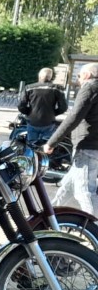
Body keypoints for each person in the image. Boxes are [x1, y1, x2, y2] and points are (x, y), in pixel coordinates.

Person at [46, 63, 98, 214]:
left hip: (87, 144)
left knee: (85, 191)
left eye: (79, 76)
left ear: (87, 75)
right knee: (67, 187)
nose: (78, 79)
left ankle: (93, 225)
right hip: (92, 144)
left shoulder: (90, 87)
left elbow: (74, 116)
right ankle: (50, 217)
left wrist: (52, 142)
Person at [19, 67, 68, 144]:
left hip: (33, 121)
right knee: (46, 145)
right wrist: (53, 113)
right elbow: (63, 107)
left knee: (32, 145)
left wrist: (29, 112)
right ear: (50, 77)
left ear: (39, 76)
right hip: (48, 121)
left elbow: (21, 105)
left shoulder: (29, 88)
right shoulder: (57, 88)